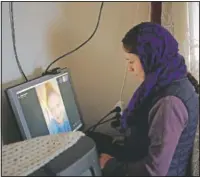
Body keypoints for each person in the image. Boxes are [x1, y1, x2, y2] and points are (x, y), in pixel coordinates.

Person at [99, 22, 199, 176]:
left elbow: (155, 171)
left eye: (131, 62)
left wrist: (111, 165)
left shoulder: (169, 103)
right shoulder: (169, 78)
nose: (129, 69)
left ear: (149, 58)